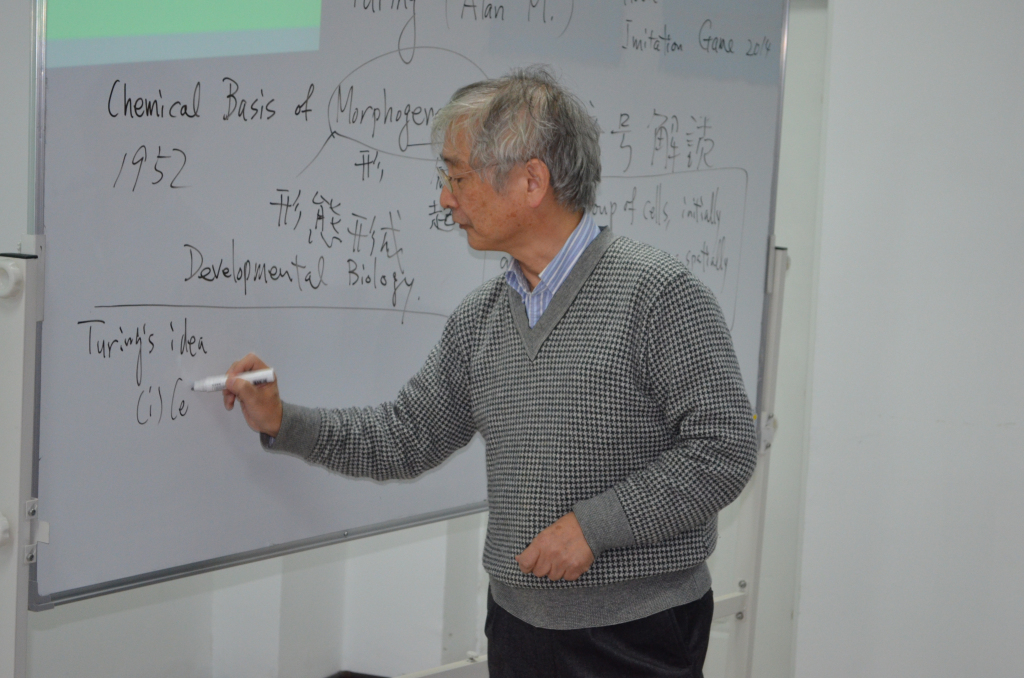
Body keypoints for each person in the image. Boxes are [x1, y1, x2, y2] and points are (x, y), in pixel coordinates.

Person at [223, 66, 757, 677]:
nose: (446, 199)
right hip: (516, 627)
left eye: (458, 177)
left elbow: (725, 448)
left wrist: (595, 528)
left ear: (532, 181)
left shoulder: (658, 294)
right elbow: (406, 436)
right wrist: (282, 420)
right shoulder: (481, 318)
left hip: (638, 632)